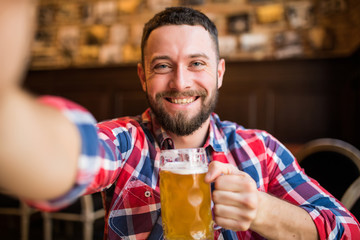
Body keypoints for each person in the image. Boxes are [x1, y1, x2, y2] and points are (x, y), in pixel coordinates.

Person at [0, 1, 359, 239]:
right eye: (162, 66)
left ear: (219, 73)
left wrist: (262, 209)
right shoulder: (127, 142)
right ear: (143, 76)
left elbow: (347, 229)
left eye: (197, 64)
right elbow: (68, 156)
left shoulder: (259, 149)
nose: (181, 82)